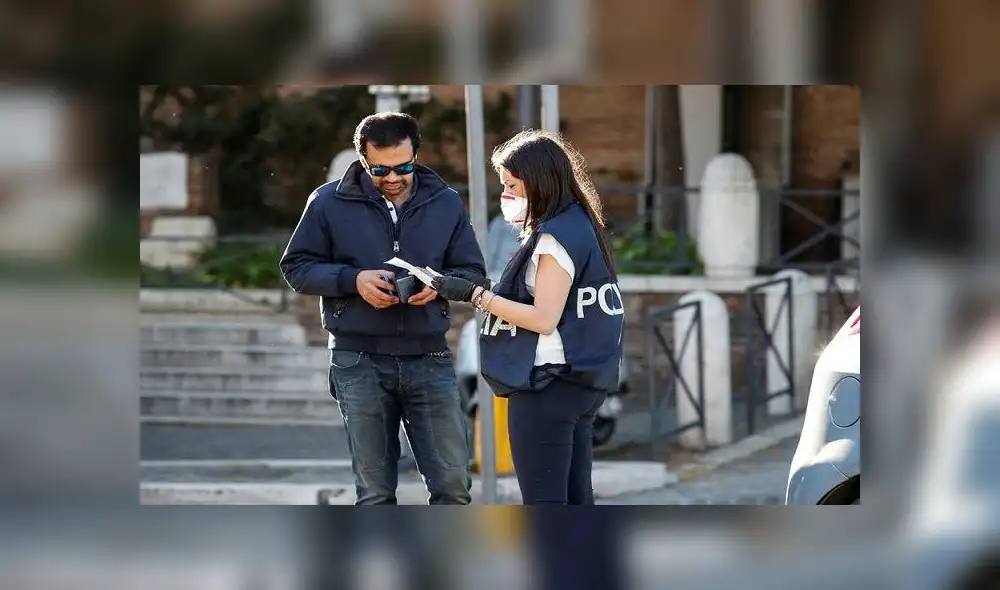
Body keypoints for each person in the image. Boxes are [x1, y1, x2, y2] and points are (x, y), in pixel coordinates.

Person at [279, 112, 487, 505]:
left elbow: (473, 272)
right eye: (380, 169)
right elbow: (296, 268)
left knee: (453, 487)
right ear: (362, 160)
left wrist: (440, 286)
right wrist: (352, 281)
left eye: (403, 167)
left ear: (416, 156)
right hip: (357, 360)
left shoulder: (445, 202)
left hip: (429, 356)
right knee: (374, 493)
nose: (393, 178)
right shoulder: (326, 202)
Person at [432, 129, 625, 505]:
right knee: (575, 499)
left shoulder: (554, 238)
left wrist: (476, 295)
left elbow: (542, 318)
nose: (506, 196)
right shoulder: (582, 224)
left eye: (512, 185)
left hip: (546, 383)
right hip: (578, 382)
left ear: (539, 183)